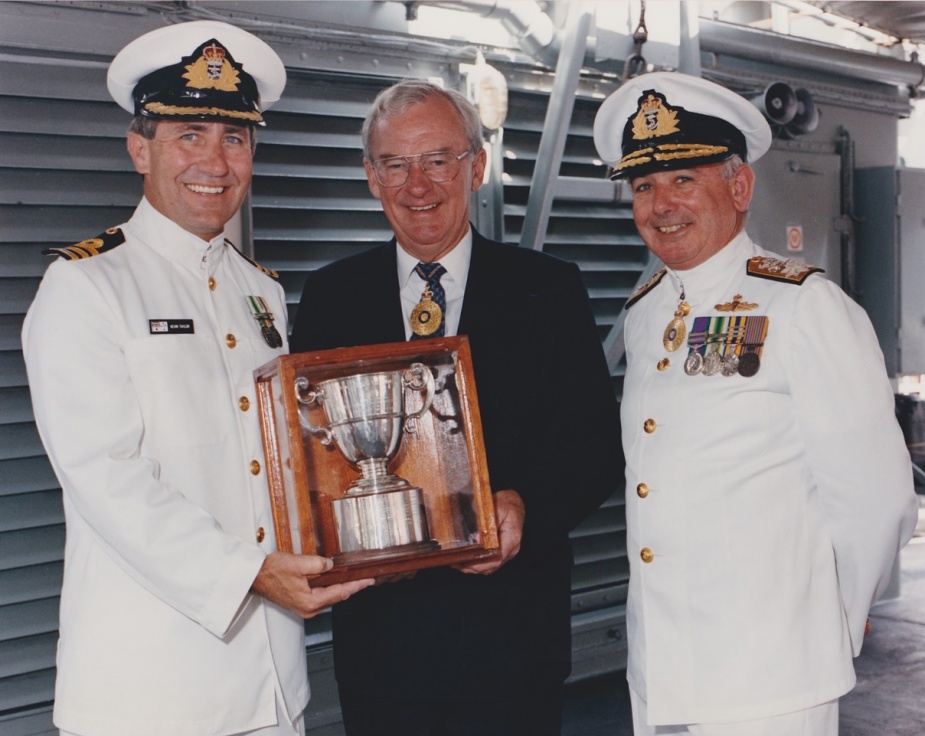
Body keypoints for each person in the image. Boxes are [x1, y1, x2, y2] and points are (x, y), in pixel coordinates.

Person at [22, 20, 372, 736]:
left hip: (271, 679)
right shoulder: (87, 286)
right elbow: (104, 475)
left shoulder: (260, 293)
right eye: (189, 135)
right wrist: (248, 574)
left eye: (235, 138)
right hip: (152, 688)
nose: (214, 161)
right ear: (139, 149)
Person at [289, 79, 623, 735]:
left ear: (476, 167)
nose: (418, 186)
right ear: (370, 176)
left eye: (437, 160)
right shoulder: (330, 297)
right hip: (380, 644)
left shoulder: (547, 290)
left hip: (513, 639)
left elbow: (592, 447)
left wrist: (527, 504)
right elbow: (313, 453)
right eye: (395, 164)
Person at [592, 71, 919, 736]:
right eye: (643, 186)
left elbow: (876, 498)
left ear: (738, 186)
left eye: (684, 179)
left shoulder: (801, 305)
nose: (661, 204)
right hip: (663, 674)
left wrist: (827, 621)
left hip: (769, 680)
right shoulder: (645, 312)